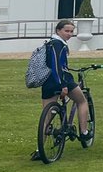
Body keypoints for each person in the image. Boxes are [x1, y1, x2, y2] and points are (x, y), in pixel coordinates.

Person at [31, 19, 93, 159]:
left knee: (47, 116)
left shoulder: (48, 44)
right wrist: (63, 85)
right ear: (58, 31)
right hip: (60, 80)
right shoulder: (58, 45)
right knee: (81, 101)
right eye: (67, 31)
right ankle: (83, 132)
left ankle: (39, 149)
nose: (69, 34)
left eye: (71, 31)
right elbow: (57, 66)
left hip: (47, 82)